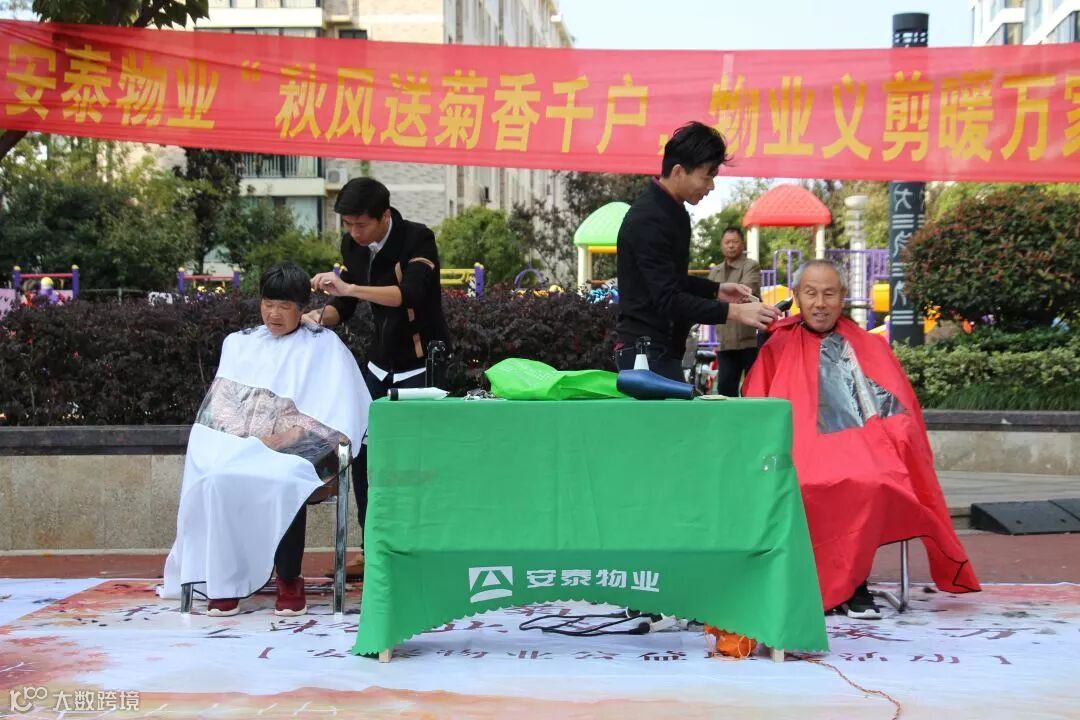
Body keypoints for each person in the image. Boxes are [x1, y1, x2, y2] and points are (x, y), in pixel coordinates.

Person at [743, 260, 980, 619]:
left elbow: (900, 410)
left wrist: (899, 437)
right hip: (796, 454)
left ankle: (855, 584)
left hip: (863, 452)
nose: (819, 303)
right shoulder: (777, 346)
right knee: (802, 484)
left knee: (870, 482)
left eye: (829, 294)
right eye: (811, 293)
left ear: (843, 297)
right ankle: (814, 583)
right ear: (796, 297)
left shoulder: (868, 346)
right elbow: (757, 414)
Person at [161, 262, 370, 616]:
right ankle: (223, 581)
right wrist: (246, 439)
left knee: (284, 477)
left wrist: (287, 437)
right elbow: (219, 408)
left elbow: (335, 411)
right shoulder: (239, 344)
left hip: (296, 450)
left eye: (284, 306)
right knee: (216, 479)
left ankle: (289, 578)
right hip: (239, 446)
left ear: (302, 308)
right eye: (268, 304)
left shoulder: (323, 347)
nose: (274, 314)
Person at [305, 177, 450, 579]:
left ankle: (421, 547)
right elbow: (345, 307)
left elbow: (410, 295)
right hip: (378, 366)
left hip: (422, 365)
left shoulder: (417, 239)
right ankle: (372, 548)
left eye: (361, 224)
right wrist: (319, 316)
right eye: (348, 225)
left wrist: (351, 287)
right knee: (362, 455)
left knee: (418, 460)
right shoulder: (352, 246)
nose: (354, 233)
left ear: (384, 216)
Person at [614, 121, 777, 381]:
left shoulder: (673, 211)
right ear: (678, 171)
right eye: (707, 176)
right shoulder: (649, 218)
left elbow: (673, 281)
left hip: (662, 348)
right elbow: (667, 299)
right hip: (645, 352)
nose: (711, 186)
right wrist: (735, 312)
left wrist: (716, 289)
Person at [707, 227, 761, 396]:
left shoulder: (750, 266)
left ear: (742, 244)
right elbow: (706, 299)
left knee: (753, 390)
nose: (731, 246)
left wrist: (719, 299)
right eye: (727, 242)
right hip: (725, 342)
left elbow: (746, 292)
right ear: (721, 245)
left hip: (749, 341)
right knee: (725, 390)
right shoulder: (715, 271)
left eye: (735, 242)